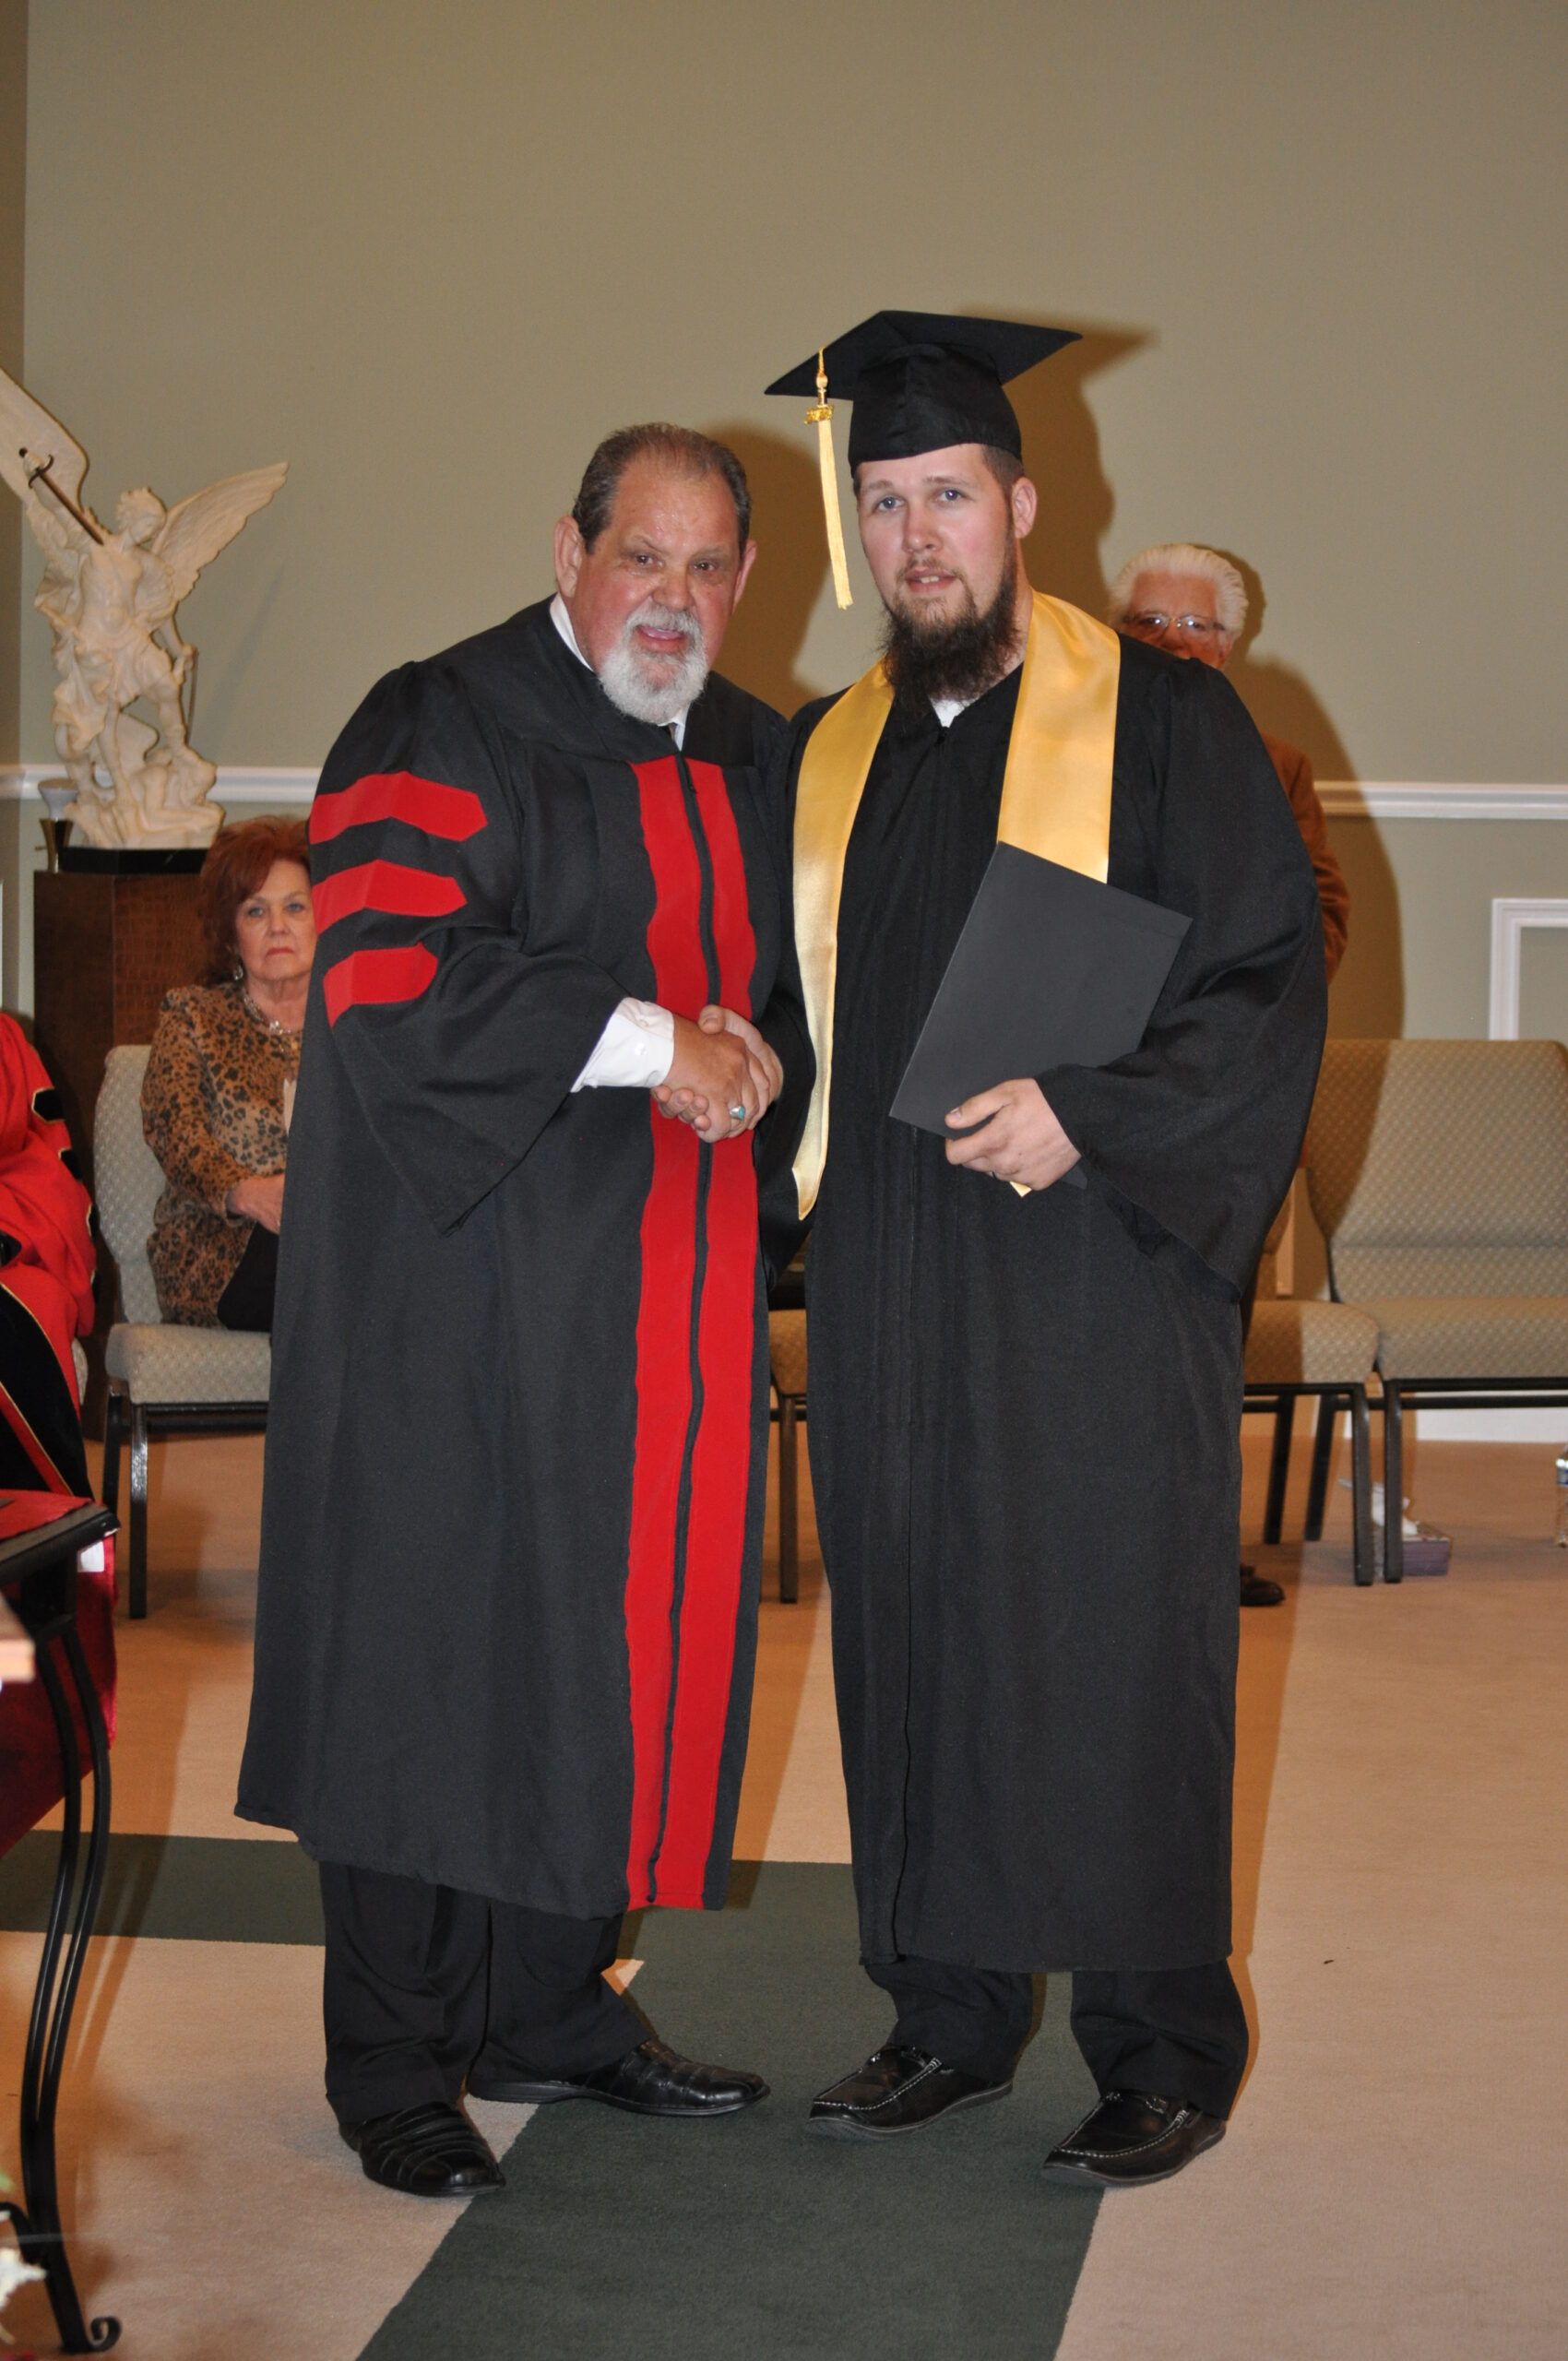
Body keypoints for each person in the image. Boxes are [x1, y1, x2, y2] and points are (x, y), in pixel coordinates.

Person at [766, 314, 1324, 2187]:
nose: (918, 533)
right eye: (884, 501)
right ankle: (941, 2009)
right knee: (911, 1623)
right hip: (893, 1270)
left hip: (1089, 1256)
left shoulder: (1159, 717)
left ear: (1020, 502)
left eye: (947, 494)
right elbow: (794, 1016)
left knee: (1108, 1633)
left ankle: (1158, 2037)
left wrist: (1098, 1107)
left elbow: (1258, 979)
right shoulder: (828, 756)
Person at [237, 424, 807, 2200]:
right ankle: (396, 2059)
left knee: (610, 1645)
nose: (677, 598)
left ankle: (556, 2008)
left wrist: (767, 1049)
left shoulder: (753, 751)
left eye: (712, 566)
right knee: (430, 1655)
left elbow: (798, 977)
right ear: (567, 548)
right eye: (646, 556)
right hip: (456, 1295)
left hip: (662, 1305)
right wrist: (666, 1041)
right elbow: (400, 976)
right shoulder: (438, 719)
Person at [1108, 543, 1351, 1605]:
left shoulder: (1276, 762)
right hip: (1092, 1099)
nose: (1170, 643)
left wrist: (1212, 1014)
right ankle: (1093, 1543)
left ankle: (1196, 1555)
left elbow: (1318, 924)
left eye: (1193, 626)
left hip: (1222, 1104)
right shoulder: (1063, 753)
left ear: (1231, 645)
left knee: (1204, 1340)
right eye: (1146, 623)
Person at [141, 818, 315, 1332]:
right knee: (328, 1269)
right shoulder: (191, 1017)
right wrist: (244, 1192)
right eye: (256, 910)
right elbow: (176, 1135)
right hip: (219, 1249)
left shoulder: (352, 1030)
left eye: (295, 907)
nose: (277, 925)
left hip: (334, 1236)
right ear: (231, 932)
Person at [0, 1014, 95, 1494]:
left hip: (10, 1256)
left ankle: (34, 1551)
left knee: (31, 1310)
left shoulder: (5, 1045)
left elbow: (44, 1172)